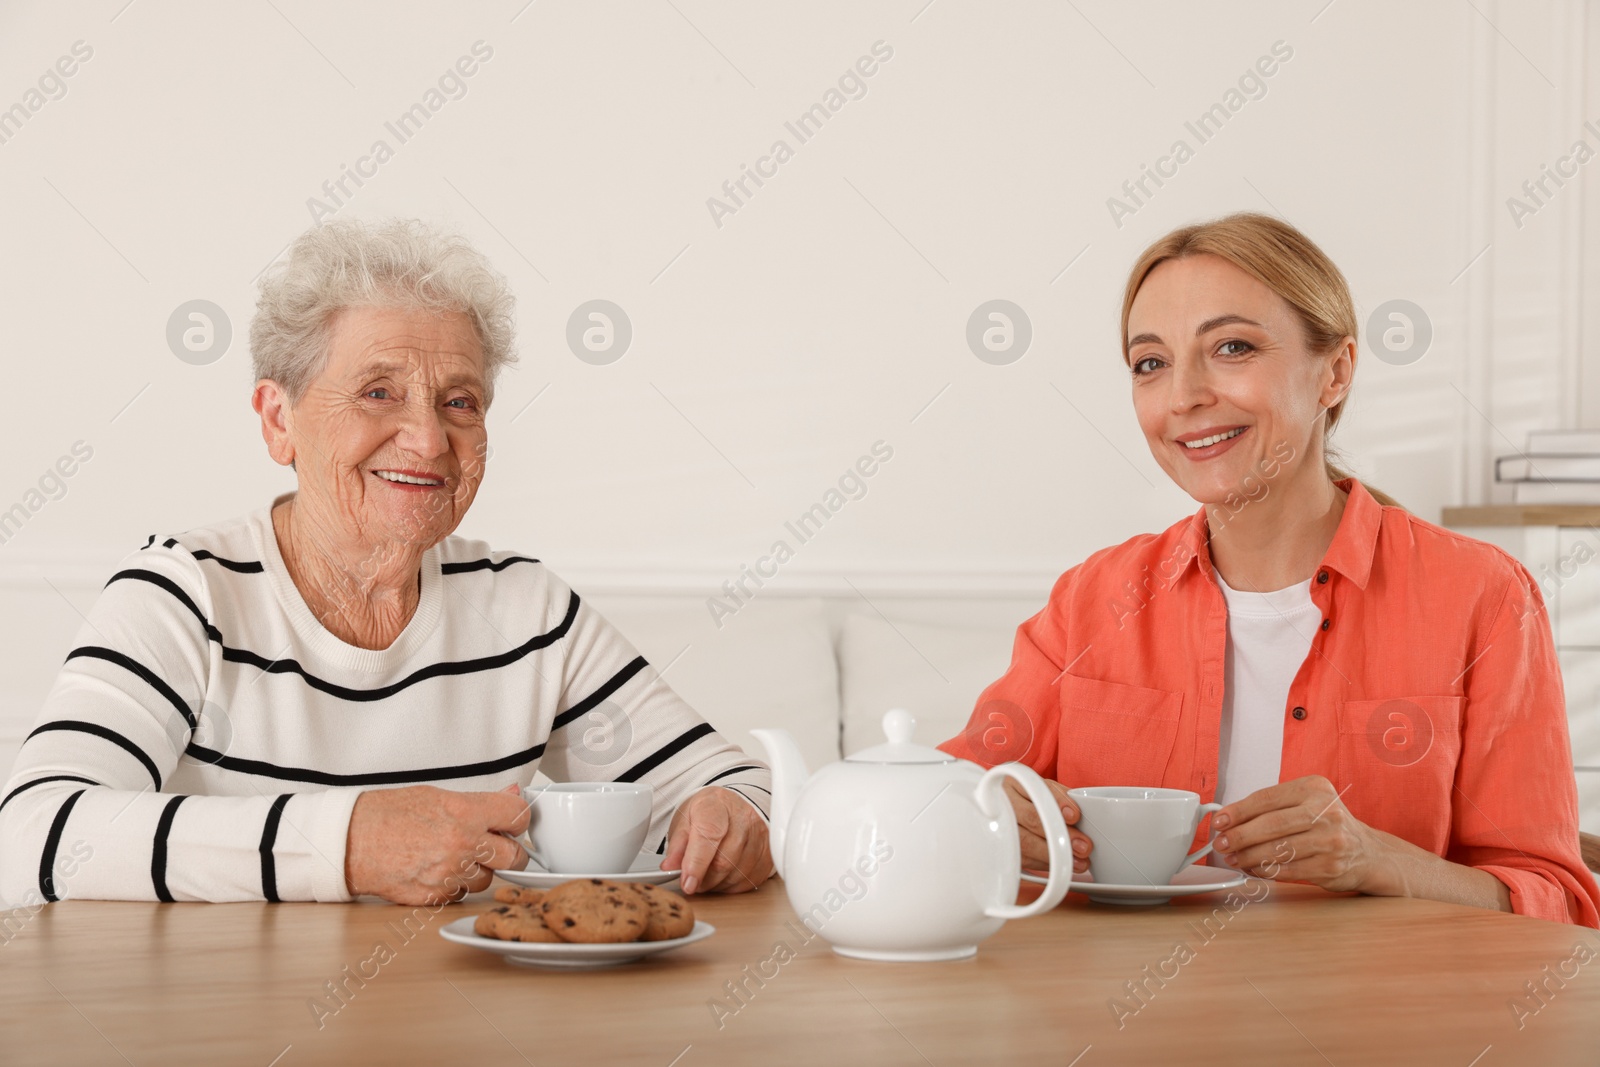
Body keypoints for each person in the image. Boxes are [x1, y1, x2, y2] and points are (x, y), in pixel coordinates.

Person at [0, 219, 772, 906]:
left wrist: (737, 819)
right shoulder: (182, 595)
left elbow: (741, 787)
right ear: (279, 420)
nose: (429, 440)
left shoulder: (526, 610)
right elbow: (34, 833)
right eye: (378, 392)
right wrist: (348, 844)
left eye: (460, 402)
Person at [939, 212, 1600, 927]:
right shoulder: (1091, 600)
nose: (1184, 395)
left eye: (1231, 347)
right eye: (1150, 363)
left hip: (1380, 1029)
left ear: (1335, 372)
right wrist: (980, 812)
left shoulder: (1483, 597)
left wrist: (1380, 861)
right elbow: (945, 791)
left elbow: (1557, 905)